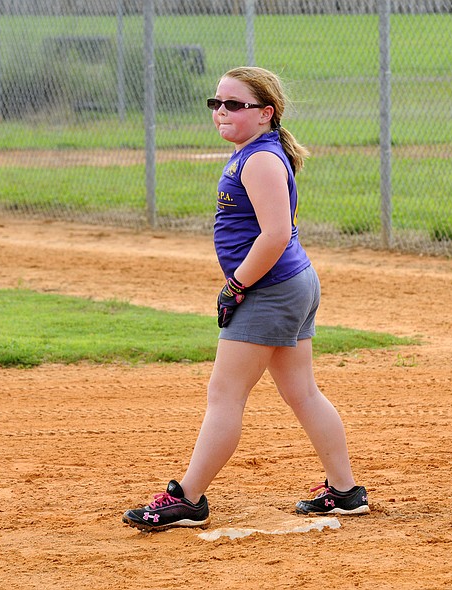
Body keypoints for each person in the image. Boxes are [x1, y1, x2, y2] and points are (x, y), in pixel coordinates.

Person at [122, 66, 368, 532]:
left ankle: (188, 499)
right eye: (216, 103)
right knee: (301, 392)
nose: (221, 112)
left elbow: (275, 235)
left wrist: (236, 285)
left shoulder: (259, 160)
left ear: (265, 114)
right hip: (287, 284)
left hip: (270, 288)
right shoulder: (254, 153)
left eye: (235, 104)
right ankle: (344, 491)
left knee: (225, 394)